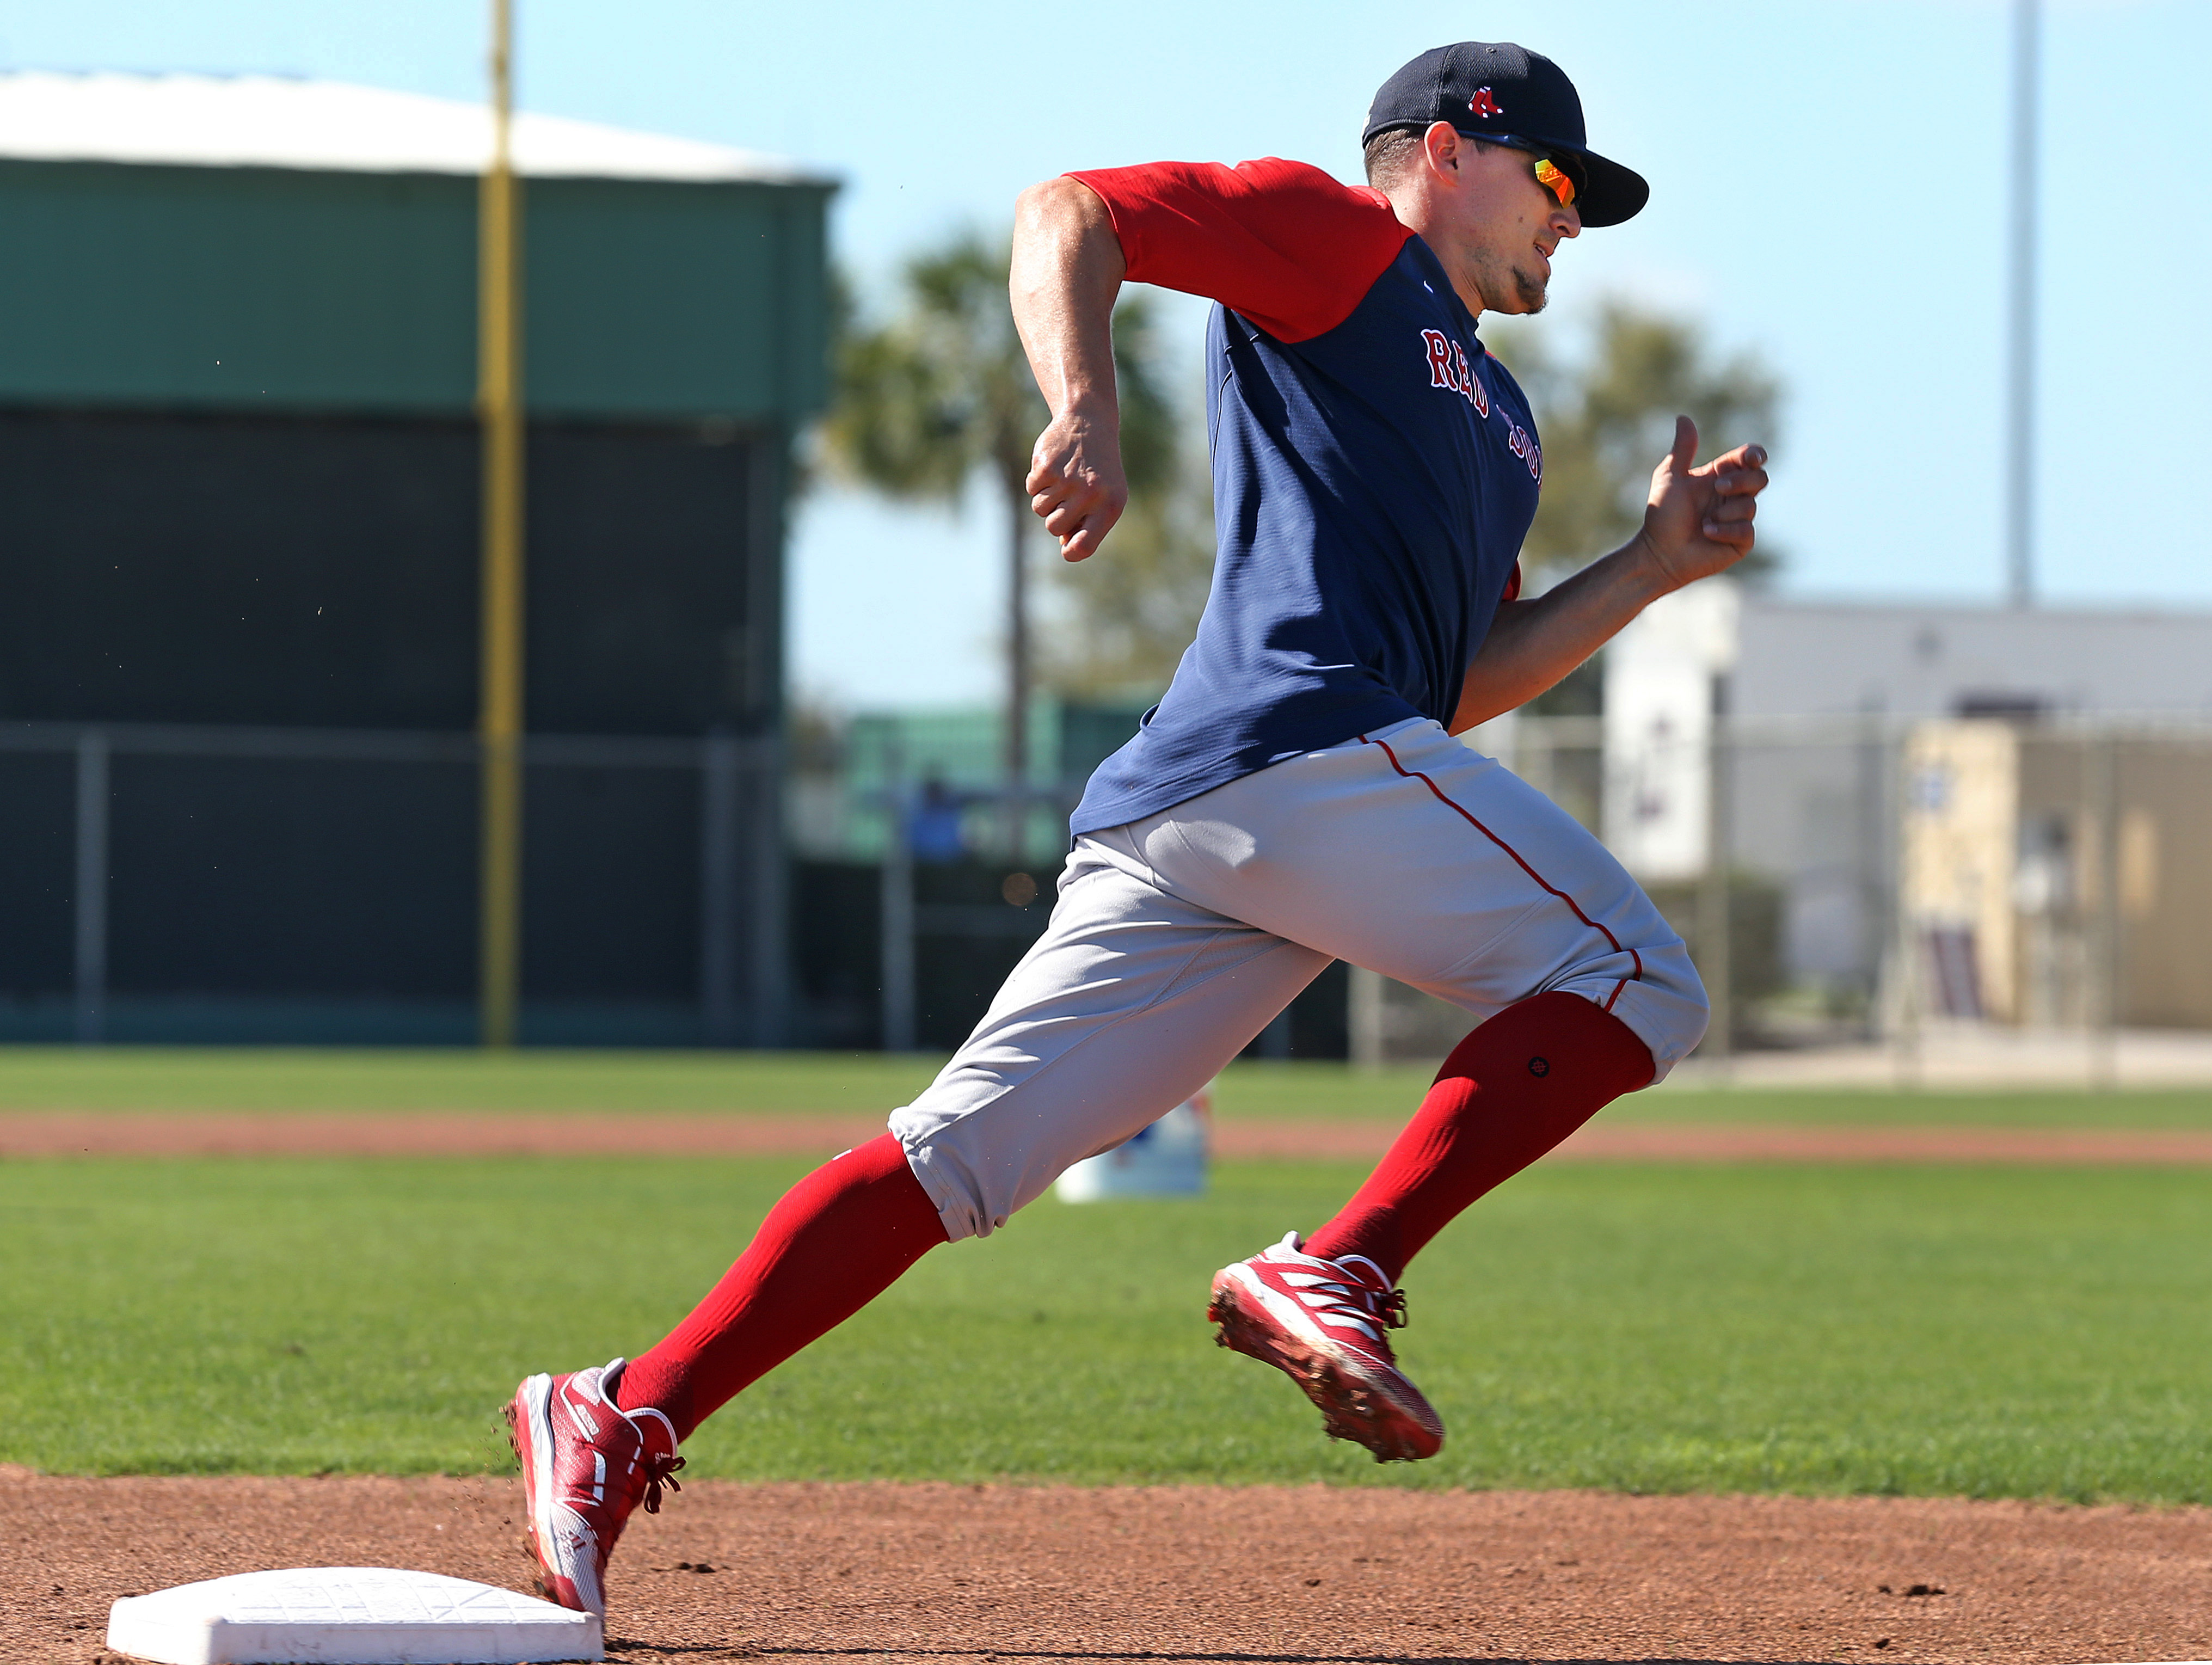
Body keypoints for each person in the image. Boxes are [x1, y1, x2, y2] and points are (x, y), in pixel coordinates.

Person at [506, 39, 1770, 1617]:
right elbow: (1069, 213)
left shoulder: (1503, 427)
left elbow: (1459, 685)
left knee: (954, 1158)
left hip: (1264, 797)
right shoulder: (1344, 244)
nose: (1573, 221)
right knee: (1641, 975)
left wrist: (1647, 567)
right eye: (1560, 183)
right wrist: (1084, 406)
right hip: (1291, 750)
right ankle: (1346, 1265)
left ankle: (622, 1405)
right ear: (1448, 151)